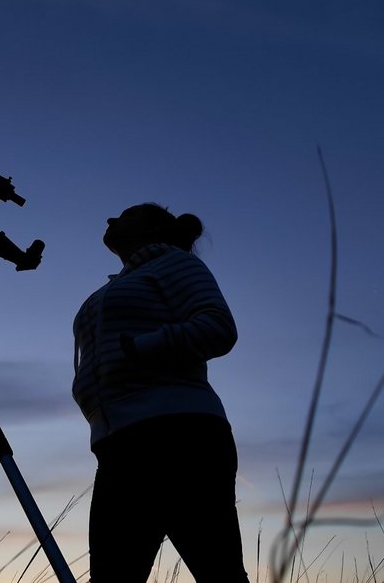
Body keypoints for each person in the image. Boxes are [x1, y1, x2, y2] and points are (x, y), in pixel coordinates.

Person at [72, 202, 249, 582]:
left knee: (219, 572)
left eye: (127, 214)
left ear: (155, 230)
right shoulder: (119, 283)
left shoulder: (175, 264)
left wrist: (143, 346)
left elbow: (218, 326)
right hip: (117, 442)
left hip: (179, 437)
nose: (110, 217)